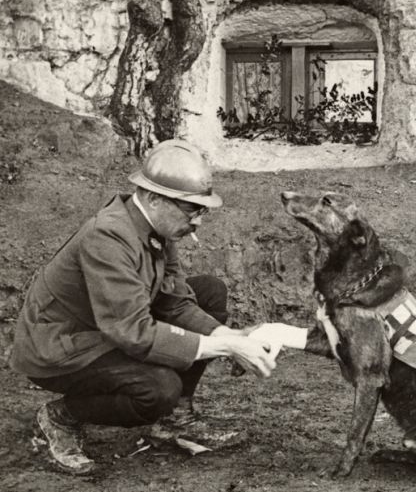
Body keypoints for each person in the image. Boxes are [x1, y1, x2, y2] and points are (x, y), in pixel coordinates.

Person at [10, 140, 307, 475]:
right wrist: (224, 346)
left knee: (208, 292)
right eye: (191, 210)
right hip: (63, 347)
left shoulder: (156, 229)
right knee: (159, 389)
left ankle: (175, 421)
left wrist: (231, 336)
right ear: (153, 198)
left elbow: (176, 301)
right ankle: (61, 416)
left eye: (201, 211)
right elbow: (132, 331)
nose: (197, 222)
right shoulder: (107, 236)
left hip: (107, 329)